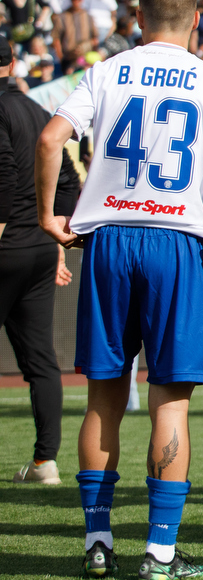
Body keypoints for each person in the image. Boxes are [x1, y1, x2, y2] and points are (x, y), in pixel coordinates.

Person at [36, 0, 203, 580]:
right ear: (196, 22)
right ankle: (160, 554)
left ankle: (97, 543)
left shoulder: (107, 71)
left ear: (137, 19)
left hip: (108, 239)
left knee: (104, 397)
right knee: (171, 405)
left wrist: (45, 216)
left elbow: (50, 139)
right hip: (174, 244)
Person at [1, 36, 79, 487]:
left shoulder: (4, 110)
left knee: (39, 360)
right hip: (36, 251)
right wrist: (53, 240)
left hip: (8, 246)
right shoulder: (36, 109)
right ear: (13, 63)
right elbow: (68, 182)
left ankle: (46, 462)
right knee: (41, 360)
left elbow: (4, 182)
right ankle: (45, 462)